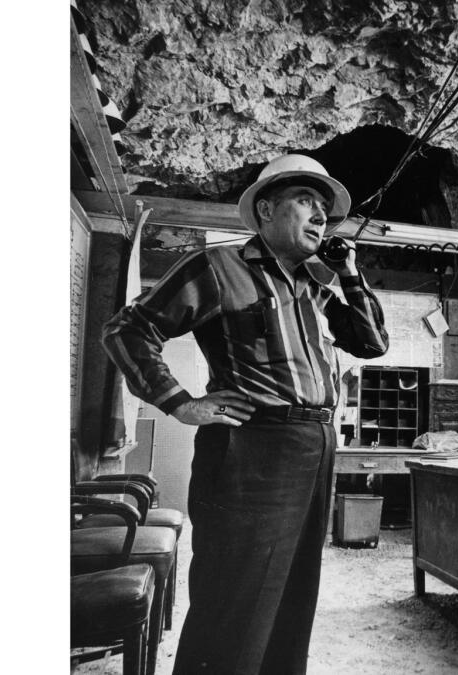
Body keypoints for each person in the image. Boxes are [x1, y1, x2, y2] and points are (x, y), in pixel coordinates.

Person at [102, 154, 389, 674]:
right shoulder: (217, 267)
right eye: (305, 201)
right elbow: (127, 330)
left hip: (314, 446)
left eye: (324, 206)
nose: (320, 215)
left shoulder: (316, 286)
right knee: (235, 599)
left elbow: (372, 342)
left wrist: (348, 270)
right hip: (252, 450)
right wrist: (180, 403)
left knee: (292, 595)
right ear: (265, 210)